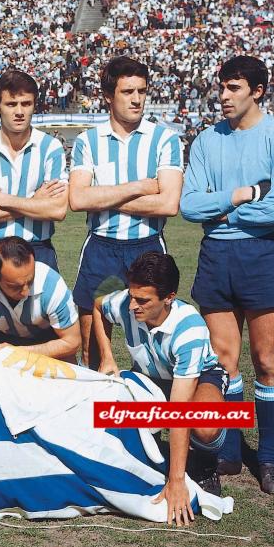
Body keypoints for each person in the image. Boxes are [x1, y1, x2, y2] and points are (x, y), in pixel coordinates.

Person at [180, 55, 274, 495]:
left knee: (267, 361)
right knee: (223, 362)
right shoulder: (206, 141)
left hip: (265, 256)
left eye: (233, 88)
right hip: (216, 257)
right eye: (222, 87)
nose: (224, 96)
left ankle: (267, 459)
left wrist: (221, 211)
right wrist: (243, 197)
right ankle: (227, 451)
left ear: (257, 91)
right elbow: (189, 206)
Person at [92, 252, 228, 521]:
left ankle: (206, 463)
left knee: (204, 426)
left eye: (143, 300)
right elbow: (98, 307)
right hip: (149, 378)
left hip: (199, 378)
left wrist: (176, 481)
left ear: (169, 297)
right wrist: (107, 356)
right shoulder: (125, 303)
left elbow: (179, 409)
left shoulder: (189, 328)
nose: (133, 306)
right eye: (132, 296)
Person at [0, 237, 81, 505]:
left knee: (58, 400)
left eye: (29, 280)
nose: (26, 289)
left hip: (45, 340)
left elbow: (71, 341)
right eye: (15, 285)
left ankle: (53, 469)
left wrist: (20, 354)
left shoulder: (51, 285)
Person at [69, 56, 183, 368]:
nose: (136, 99)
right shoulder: (88, 141)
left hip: (147, 247)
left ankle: (146, 411)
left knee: (152, 347)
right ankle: (93, 414)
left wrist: (104, 195)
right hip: (101, 247)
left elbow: (168, 204)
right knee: (92, 346)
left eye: (142, 91)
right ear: (108, 96)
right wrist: (138, 187)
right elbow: (77, 200)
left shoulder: (165, 139)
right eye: (127, 92)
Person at [0, 69, 67, 270]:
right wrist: (34, 203)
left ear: (34, 105)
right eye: (11, 104)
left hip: (37, 249)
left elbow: (58, 209)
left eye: (26, 104)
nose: (19, 112)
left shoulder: (50, 147)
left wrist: (2, 200)